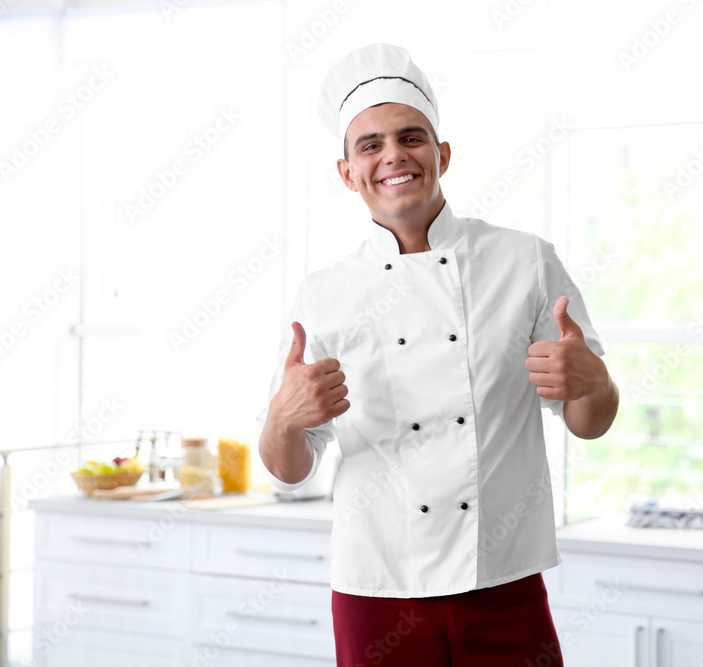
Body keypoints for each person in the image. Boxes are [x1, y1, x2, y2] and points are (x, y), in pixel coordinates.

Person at [258, 43, 618, 667]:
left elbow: (591, 422)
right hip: (377, 586)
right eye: (369, 145)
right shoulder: (323, 294)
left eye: (411, 137)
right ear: (347, 172)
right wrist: (282, 422)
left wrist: (594, 384)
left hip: (502, 577)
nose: (393, 155)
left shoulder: (524, 261)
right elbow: (291, 467)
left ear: (442, 154)